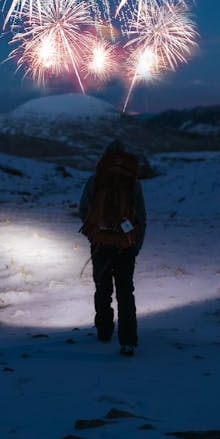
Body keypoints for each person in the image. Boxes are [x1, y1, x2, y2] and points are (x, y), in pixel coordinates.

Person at [79, 140, 146, 356]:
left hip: (100, 244)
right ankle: (128, 341)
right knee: (125, 291)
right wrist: (135, 244)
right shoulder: (133, 183)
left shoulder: (95, 180)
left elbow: (83, 210)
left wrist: (95, 235)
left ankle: (104, 331)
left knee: (103, 288)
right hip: (125, 245)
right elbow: (141, 218)